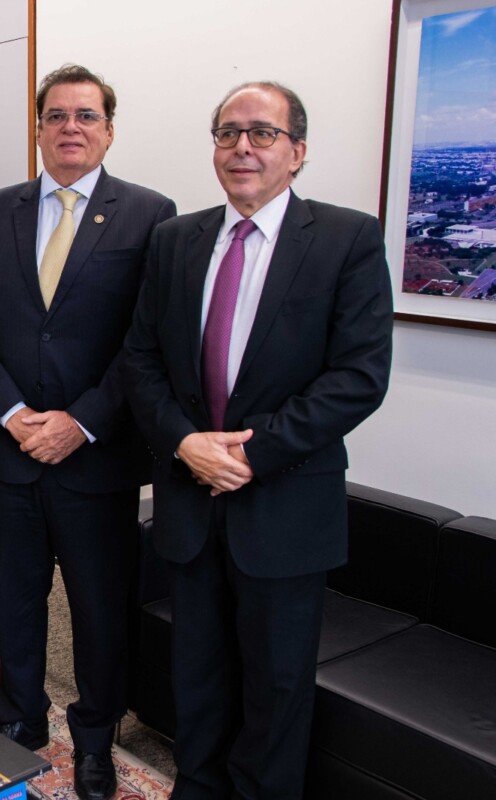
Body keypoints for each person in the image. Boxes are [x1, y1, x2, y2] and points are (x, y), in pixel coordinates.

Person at [122, 82, 393, 800]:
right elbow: (140, 362)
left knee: (276, 688)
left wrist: (248, 452)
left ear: (296, 151)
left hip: (284, 506)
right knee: (197, 676)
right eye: (227, 133)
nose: (242, 147)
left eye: (262, 133)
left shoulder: (347, 239)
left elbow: (359, 377)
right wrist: (184, 444)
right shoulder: (176, 240)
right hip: (189, 503)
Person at [0, 64, 176, 800]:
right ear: (38, 127)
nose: (69, 127)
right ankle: (19, 723)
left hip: (95, 457)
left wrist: (81, 421)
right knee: (15, 597)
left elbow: (148, 340)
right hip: (9, 452)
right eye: (55, 115)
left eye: (85, 115)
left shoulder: (149, 213)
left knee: (98, 607)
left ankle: (95, 740)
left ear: (109, 129)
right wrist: (14, 415)